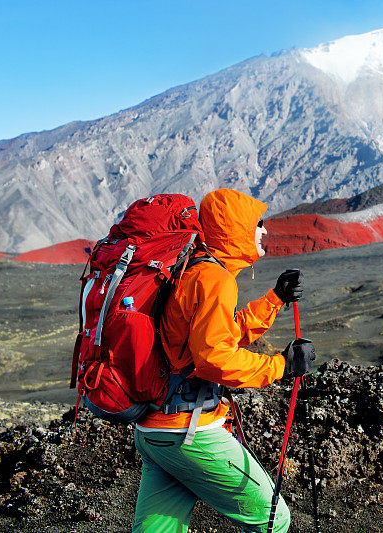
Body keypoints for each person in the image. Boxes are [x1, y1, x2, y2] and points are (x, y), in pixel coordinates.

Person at [132, 188, 315, 532]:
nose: (265, 231)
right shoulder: (213, 278)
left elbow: (219, 335)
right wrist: (281, 366)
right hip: (189, 434)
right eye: (257, 224)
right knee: (272, 518)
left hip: (154, 430)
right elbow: (214, 359)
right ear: (234, 230)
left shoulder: (194, 269)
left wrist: (274, 299)